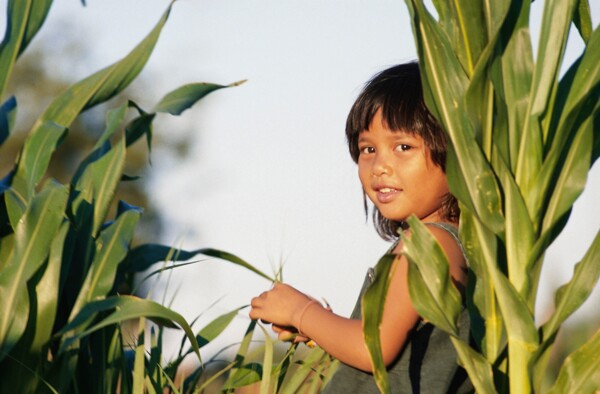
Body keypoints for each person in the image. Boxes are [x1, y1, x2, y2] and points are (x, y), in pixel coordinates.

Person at [249, 62, 472, 393]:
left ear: (454, 150)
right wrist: (319, 329)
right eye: (368, 149)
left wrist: (302, 312)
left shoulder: (429, 244)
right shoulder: (456, 243)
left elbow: (375, 348)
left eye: (403, 147)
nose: (379, 166)